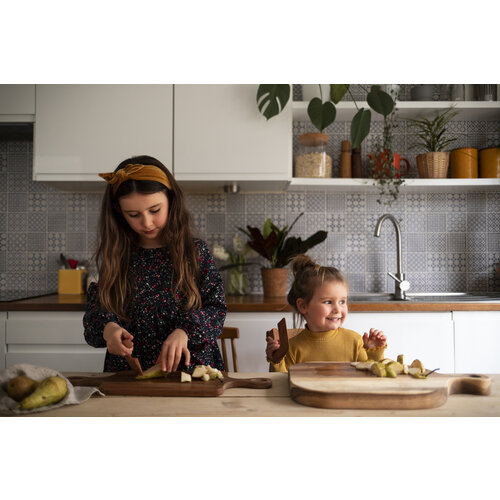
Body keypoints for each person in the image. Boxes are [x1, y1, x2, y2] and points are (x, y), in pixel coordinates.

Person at [83, 155, 227, 373]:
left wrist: (184, 332)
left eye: (155, 210)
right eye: (133, 214)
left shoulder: (195, 252)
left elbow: (216, 310)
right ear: (119, 212)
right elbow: (96, 314)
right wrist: (108, 328)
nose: (147, 222)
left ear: (171, 200)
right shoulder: (118, 256)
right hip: (130, 373)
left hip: (191, 370)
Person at [266, 255, 387, 372]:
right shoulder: (291, 348)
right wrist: (276, 360)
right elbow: (280, 385)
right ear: (303, 306)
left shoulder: (355, 341)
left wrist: (374, 352)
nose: (337, 309)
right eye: (328, 302)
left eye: (342, 301)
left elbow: (370, 378)